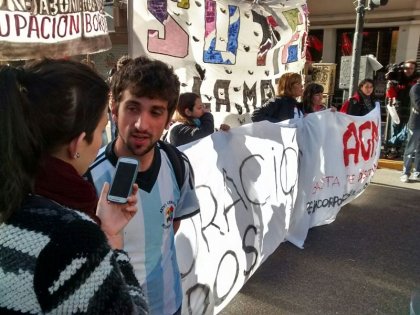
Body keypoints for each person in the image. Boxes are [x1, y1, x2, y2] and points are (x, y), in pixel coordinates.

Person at [0, 59, 148, 314]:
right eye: (102, 131)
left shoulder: (13, 200)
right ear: (77, 143)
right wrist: (114, 246)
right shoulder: (73, 239)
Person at [85, 56, 200, 315]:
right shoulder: (89, 175)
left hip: (169, 304)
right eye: (133, 108)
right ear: (114, 110)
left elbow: (172, 226)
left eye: (155, 112)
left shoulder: (177, 164)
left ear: (169, 117)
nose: (141, 124)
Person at [165, 92, 230, 146]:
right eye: (199, 108)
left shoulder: (195, 123)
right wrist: (207, 114)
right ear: (188, 112)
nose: (203, 110)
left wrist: (220, 132)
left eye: (203, 106)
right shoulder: (177, 130)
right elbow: (206, 132)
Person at [386, 60, 420, 158]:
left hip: (413, 108)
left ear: (414, 69)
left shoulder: (417, 79)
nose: (408, 70)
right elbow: (391, 95)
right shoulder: (396, 78)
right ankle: (394, 149)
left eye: (411, 68)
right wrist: (390, 87)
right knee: (395, 129)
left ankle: (399, 147)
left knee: (406, 130)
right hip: (397, 108)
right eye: (406, 68)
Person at [400, 78, 420, 183]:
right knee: (410, 149)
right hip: (415, 123)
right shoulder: (416, 88)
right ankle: (405, 173)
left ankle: (417, 172)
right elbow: (418, 105)